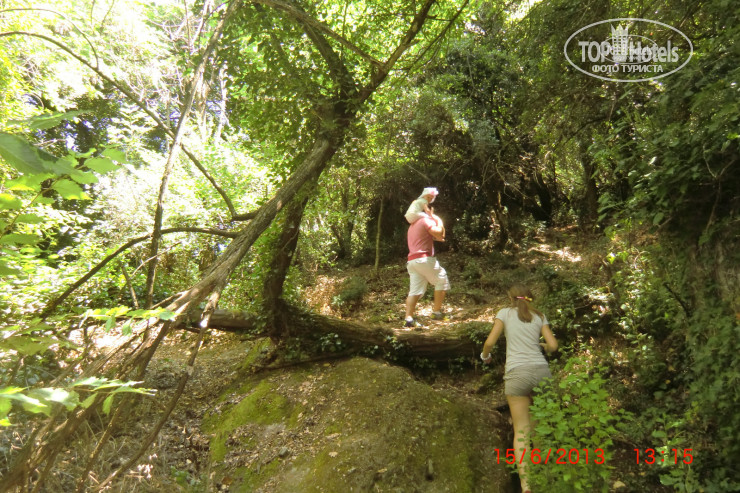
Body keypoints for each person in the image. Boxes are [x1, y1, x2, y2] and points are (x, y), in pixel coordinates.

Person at [480, 285, 558, 493]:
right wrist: (544, 347)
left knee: (522, 430)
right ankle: (546, 478)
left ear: (511, 298)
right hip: (541, 372)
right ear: (530, 298)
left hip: (517, 373)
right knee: (541, 429)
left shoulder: (504, 314)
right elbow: (553, 345)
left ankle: (526, 486)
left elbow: (489, 342)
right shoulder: (539, 316)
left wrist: (485, 356)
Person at [404, 209, 449, 328]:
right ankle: (436, 313)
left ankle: (408, 319)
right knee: (442, 279)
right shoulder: (425, 221)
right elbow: (440, 234)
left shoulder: (412, 226)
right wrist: (438, 219)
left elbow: (439, 237)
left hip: (412, 261)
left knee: (414, 291)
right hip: (423, 259)